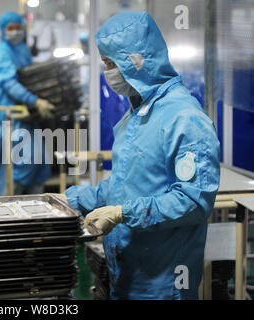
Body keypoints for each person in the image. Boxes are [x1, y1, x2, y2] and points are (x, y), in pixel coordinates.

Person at [63, 11, 220, 300]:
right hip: (129, 272)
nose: (106, 72)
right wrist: (70, 201)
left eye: (110, 64)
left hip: (163, 281)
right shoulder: (138, 114)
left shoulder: (184, 118)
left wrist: (124, 213)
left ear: (134, 61)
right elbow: (127, 184)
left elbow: (193, 201)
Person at [0, 11, 56, 195]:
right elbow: (9, 83)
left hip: (27, 115)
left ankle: (39, 213)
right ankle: (9, 204)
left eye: (18, 28)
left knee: (41, 163)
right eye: (11, 28)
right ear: (3, 30)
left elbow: (29, 78)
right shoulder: (1, 53)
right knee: (27, 160)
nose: (15, 32)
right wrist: (34, 100)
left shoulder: (22, 49)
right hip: (11, 116)